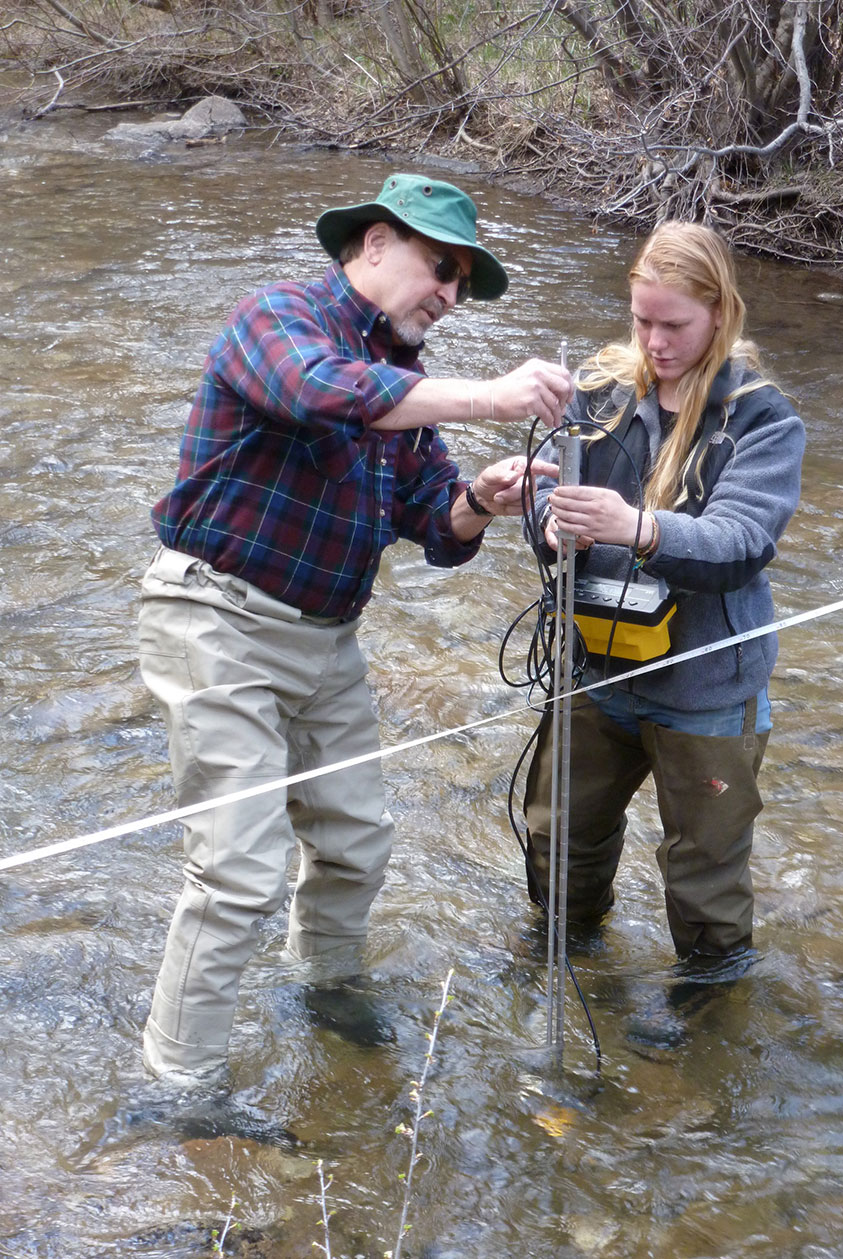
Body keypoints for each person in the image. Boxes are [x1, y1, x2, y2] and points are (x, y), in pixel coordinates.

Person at [138, 172, 572, 1083]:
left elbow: (432, 523)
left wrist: (480, 500)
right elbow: (317, 392)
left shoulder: (405, 386)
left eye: (464, 280)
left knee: (355, 847)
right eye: (442, 267)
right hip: (216, 618)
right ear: (375, 244)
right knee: (239, 876)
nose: (451, 293)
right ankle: (179, 1090)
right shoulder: (278, 317)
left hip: (328, 641)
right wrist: (494, 397)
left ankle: (327, 994)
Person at [522, 220, 805, 982]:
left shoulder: (762, 417)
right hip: (597, 670)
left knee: (705, 881)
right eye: (643, 320)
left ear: (720, 312)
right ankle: (567, 963)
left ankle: (706, 1015)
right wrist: (547, 528)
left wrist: (637, 527)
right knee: (559, 841)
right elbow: (540, 499)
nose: (655, 341)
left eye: (674, 324)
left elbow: (742, 542)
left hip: (705, 691)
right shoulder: (599, 394)